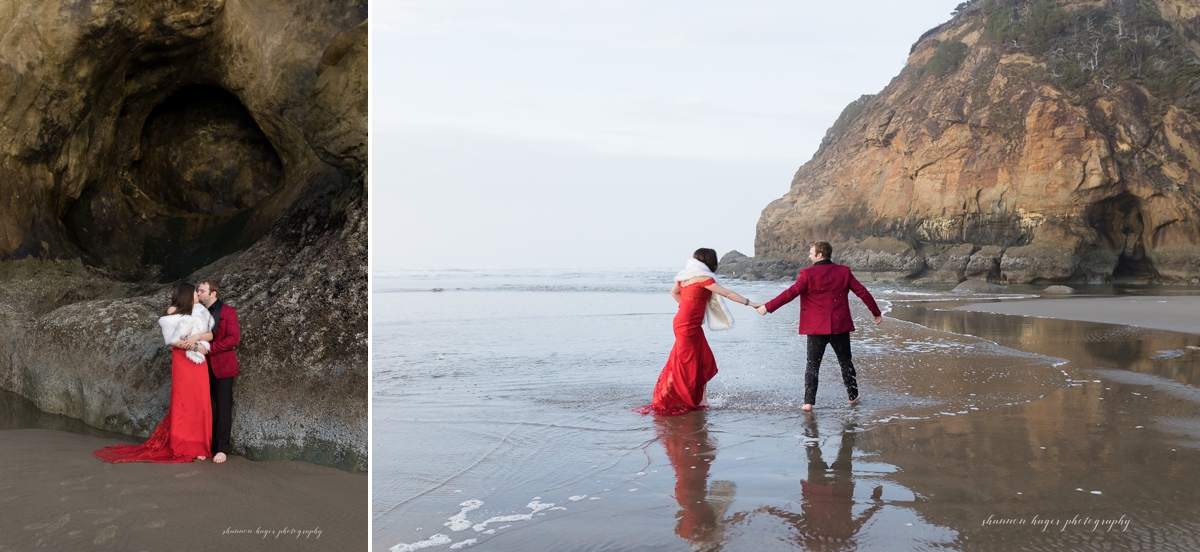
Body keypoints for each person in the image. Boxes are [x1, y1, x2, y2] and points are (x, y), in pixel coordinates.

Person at [94, 283, 214, 463]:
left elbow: (210, 334)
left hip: (199, 362)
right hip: (183, 360)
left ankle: (199, 446)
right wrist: (196, 345)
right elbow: (173, 340)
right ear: (186, 294)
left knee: (200, 402)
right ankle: (184, 446)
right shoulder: (173, 311)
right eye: (195, 292)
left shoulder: (200, 311)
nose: (198, 294)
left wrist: (198, 339)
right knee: (184, 402)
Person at [756, 241, 882, 411]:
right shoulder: (843, 271)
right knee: (846, 362)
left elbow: (791, 293)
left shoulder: (807, 274)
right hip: (840, 325)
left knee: (812, 365)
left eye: (811, 252)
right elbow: (862, 292)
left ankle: (808, 402)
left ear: (819, 255)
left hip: (815, 327)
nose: (809, 255)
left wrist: (767, 307)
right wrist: (875, 312)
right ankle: (853, 396)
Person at [637, 248, 761, 416]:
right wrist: (751, 304)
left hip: (685, 322)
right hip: (687, 326)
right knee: (687, 364)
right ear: (710, 262)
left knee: (703, 360)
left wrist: (687, 307)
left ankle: (701, 399)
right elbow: (728, 293)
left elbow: (673, 292)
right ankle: (678, 398)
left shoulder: (684, 277)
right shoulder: (704, 278)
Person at [196, 280, 240, 464]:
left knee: (223, 409)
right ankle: (203, 447)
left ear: (213, 294)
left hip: (223, 367)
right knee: (203, 409)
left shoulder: (229, 311)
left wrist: (209, 348)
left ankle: (221, 449)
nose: (198, 293)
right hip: (199, 368)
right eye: (198, 291)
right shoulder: (196, 312)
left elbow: (233, 339)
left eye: (202, 291)